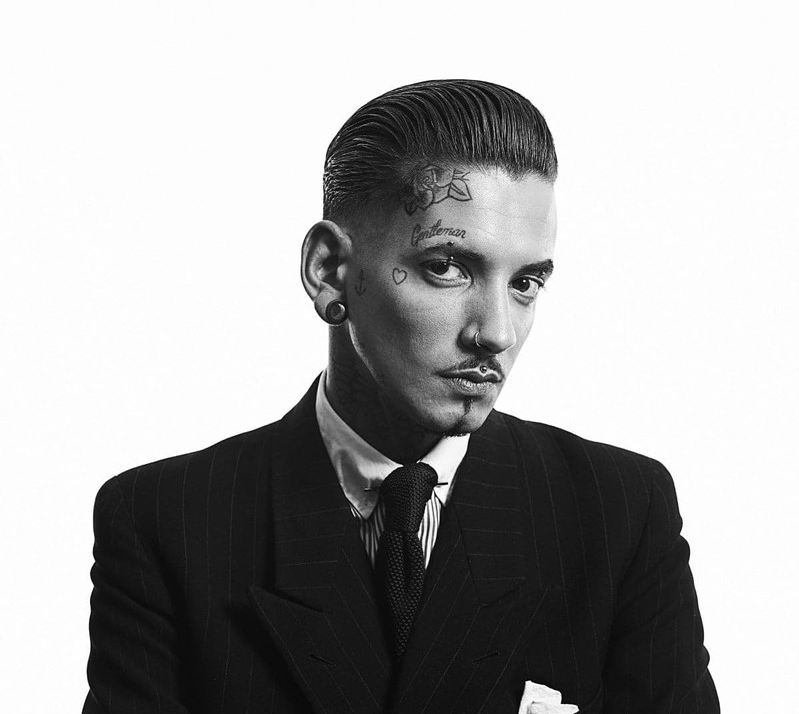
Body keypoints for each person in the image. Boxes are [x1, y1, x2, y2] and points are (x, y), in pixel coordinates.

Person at [83, 79, 719, 714]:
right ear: (329, 271)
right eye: (447, 267)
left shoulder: (616, 513)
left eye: (526, 282)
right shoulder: (168, 524)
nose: (497, 332)